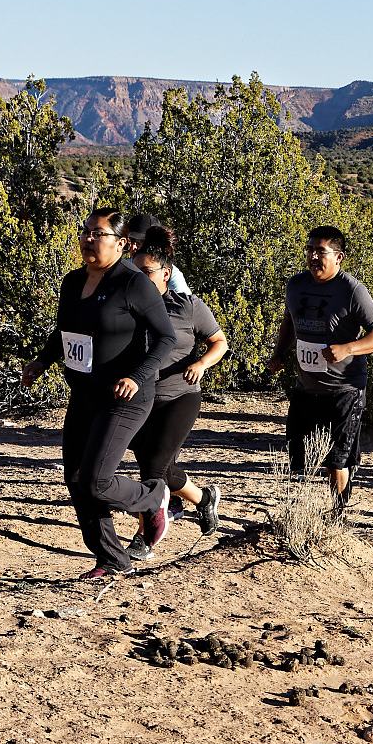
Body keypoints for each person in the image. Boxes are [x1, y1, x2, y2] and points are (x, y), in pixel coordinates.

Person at [21, 209, 177, 579]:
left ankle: (153, 496)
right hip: (85, 395)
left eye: (99, 233)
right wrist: (42, 362)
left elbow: (166, 337)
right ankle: (111, 558)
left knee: (96, 480)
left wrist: (138, 376)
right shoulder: (72, 282)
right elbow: (64, 331)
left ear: (122, 243)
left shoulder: (133, 283)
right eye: (86, 231)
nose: (89, 238)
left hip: (125, 398)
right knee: (76, 478)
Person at [268, 226, 373, 512]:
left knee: (336, 459)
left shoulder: (352, 290)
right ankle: (333, 488)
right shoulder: (296, 285)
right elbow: (289, 320)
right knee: (303, 456)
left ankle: (338, 515)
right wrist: (279, 354)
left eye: (320, 251)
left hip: (344, 389)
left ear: (339, 257)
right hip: (306, 388)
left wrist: (348, 348)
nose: (312, 256)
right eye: (309, 249)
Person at [125, 226, 228, 560]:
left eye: (146, 273)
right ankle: (204, 499)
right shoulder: (128, 308)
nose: (139, 279)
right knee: (164, 468)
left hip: (180, 396)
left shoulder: (188, 307)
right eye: (134, 272)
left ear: (166, 274)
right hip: (141, 398)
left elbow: (219, 343)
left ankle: (145, 536)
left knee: (152, 468)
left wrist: (201, 364)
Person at [126, 213, 190, 294]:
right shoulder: (123, 266)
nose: (133, 247)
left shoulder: (172, 276)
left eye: (139, 242)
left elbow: (182, 303)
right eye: (131, 241)